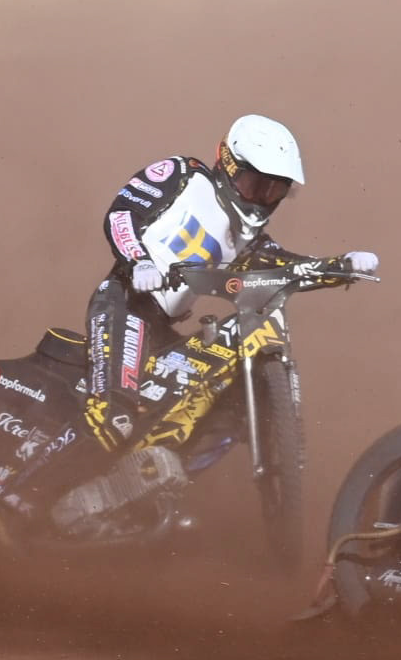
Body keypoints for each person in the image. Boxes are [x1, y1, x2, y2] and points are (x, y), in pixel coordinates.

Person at [83, 113, 379, 451]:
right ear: (228, 164)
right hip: (124, 303)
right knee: (113, 421)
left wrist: (342, 265)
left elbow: (287, 267)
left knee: (198, 415)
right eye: (254, 185)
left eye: (273, 191)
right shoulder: (183, 175)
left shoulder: (246, 240)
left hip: (162, 331)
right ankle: (45, 482)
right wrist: (139, 261)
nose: (259, 199)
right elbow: (123, 213)